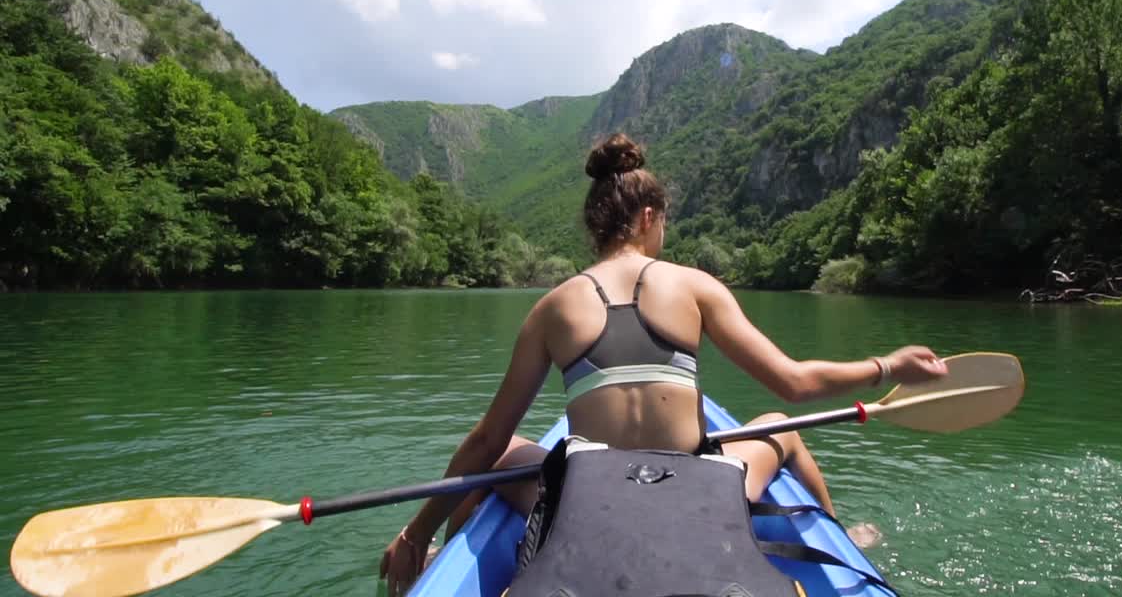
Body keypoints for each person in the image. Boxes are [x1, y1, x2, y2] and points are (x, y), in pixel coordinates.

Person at [379, 133, 948, 596]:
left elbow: (483, 443)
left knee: (495, 455)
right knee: (785, 431)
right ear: (650, 216)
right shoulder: (694, 286)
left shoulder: (552, 308)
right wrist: (885, 364)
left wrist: (413, 530)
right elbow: (796, 383)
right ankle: (838, 541)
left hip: (587, 498)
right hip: (693, 490)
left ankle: (447, 560)